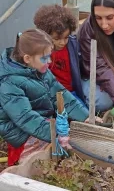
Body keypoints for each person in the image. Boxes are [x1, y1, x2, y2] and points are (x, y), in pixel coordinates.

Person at [0, 29, 90, 166]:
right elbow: (25, 118)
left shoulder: (39, 70)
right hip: (21, 133)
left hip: (40, 123)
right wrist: (54, 134)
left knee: (55, 151)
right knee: (32, 164)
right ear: (27, 59)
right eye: (44, 58)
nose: (49, 61)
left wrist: (85, 116)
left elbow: (60, 93)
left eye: (49, 56)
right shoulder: (9, 83)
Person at [34, 4, 85, 103]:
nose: (62, 42)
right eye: (56, 39)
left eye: (66, 37)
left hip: (71, 92)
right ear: (44, 34)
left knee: (83, 111)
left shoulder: (73, 46)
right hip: (51, 96)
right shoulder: (39, 53)